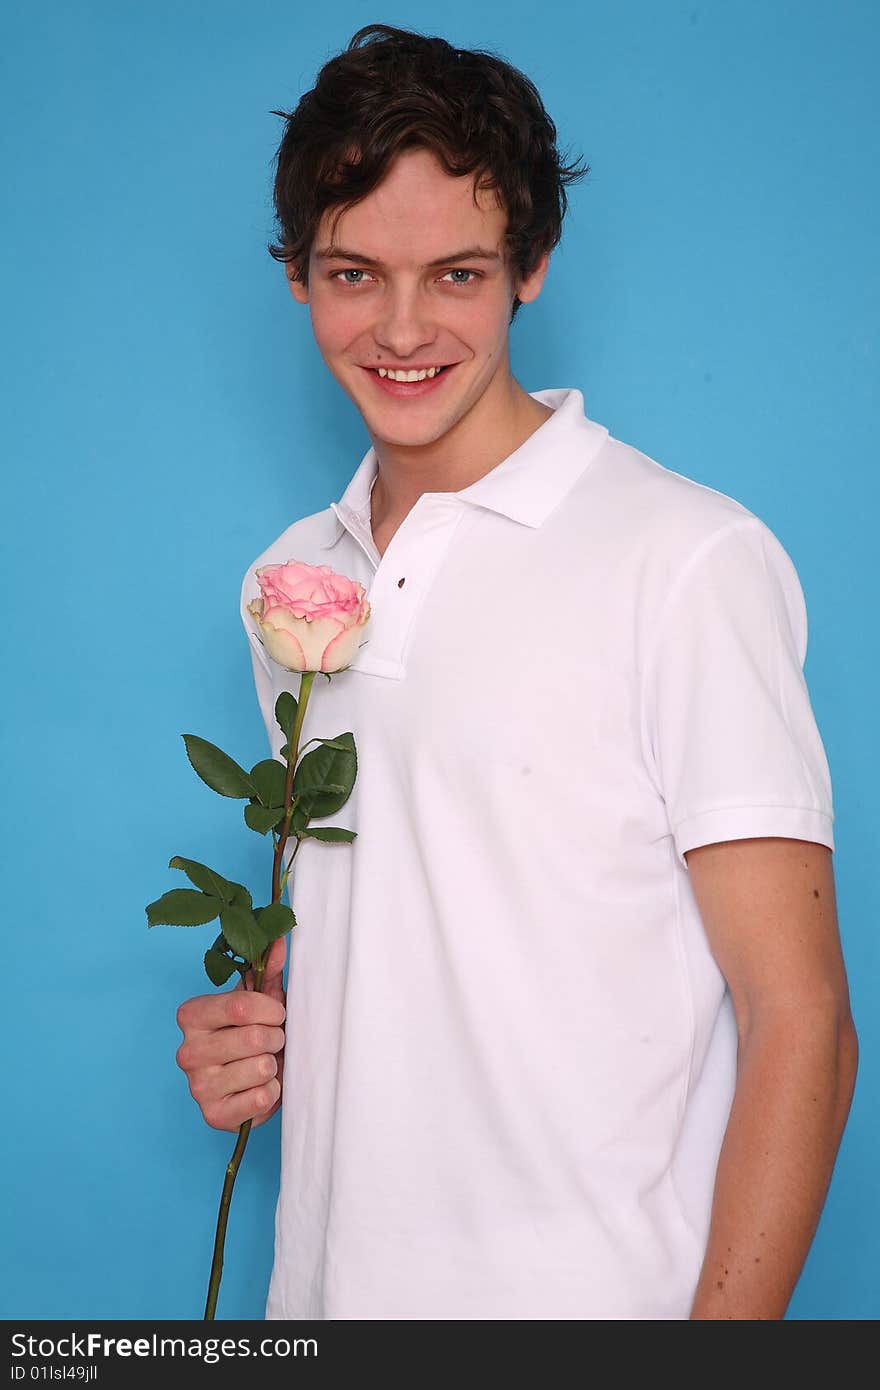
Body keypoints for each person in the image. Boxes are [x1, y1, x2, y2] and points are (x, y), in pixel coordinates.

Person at [174, 23, 858, 1320]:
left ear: (533, 267)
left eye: (459, 273)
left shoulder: (688, 557)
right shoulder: (291, 581)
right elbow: (422, 922)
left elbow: (803, 1022)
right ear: (296, 276)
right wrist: (259, 1031)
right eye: (354, 272)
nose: (403, 327)